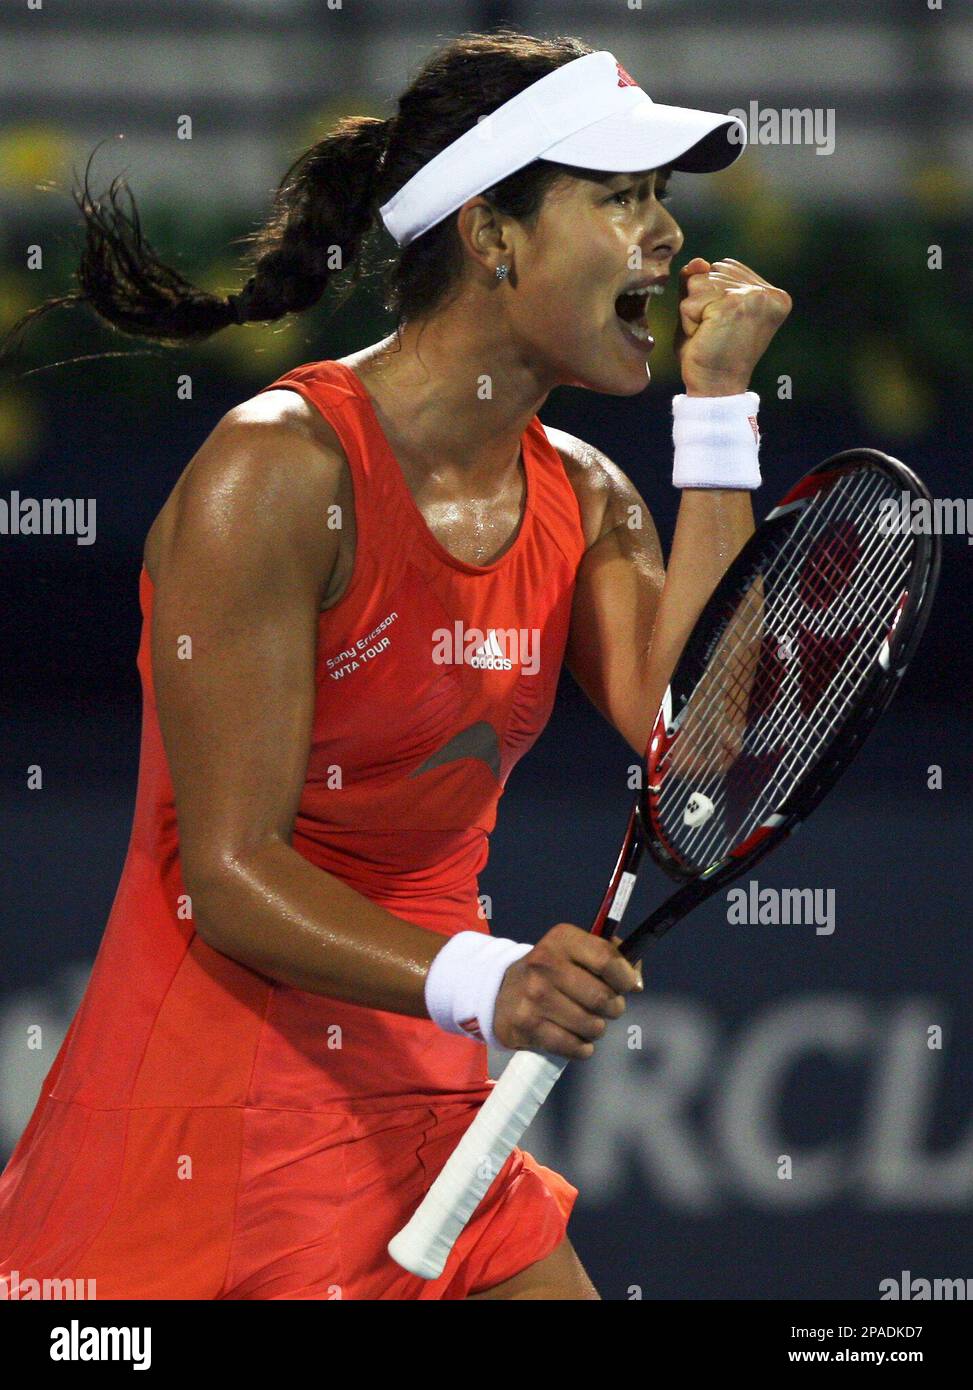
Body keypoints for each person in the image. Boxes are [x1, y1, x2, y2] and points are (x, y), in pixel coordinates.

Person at [0, 31, 790, 1300]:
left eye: (664, 202)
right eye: (620, 198)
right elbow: (232, 871)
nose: (665, 241)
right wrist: (493, 979)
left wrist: (716, 413)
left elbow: (698, 750)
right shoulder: (276, 474)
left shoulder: (587, 498)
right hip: (210, 1139)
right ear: (492, 233)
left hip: (433, 1119)